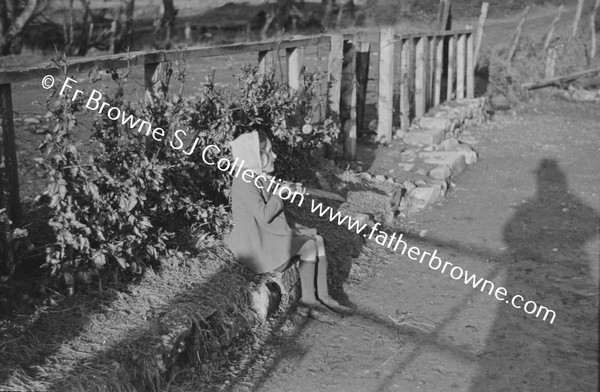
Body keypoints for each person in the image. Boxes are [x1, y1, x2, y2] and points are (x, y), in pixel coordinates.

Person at [225, 131, 353, 320]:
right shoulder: (244, 182)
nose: (275, 155)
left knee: (317, 239)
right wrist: (280, 193)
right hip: (257, 246)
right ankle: (309, 303)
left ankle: (324, 297)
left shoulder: (254, 176)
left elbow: (270, 196)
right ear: (256, 157)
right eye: (269, 151)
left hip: (264, 235)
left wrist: (289, 189)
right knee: (309, 245)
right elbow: (264, 215)